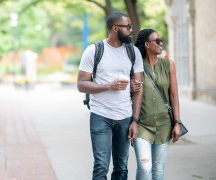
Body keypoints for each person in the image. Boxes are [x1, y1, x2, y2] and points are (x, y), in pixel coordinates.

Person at [77, 12, 144, 180]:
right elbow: (81, 84)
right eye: (128, 26)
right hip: (100, 116)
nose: (131, 30)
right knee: (101, 166)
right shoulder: (94, 50)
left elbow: (138, 88)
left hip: (125, 116)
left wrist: (135, 121)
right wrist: (109, 86)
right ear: (115, 28)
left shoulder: (133, 52)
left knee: (121, 167)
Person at [132, 29, 182, 179]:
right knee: (145, 168)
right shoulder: (136, 66)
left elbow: (174, 95)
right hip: (142, 126)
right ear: (147, 44)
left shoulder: (169, 65)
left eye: (161, 41)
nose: (161, 44)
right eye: (157, 41)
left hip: (164, 125)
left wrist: (177, 122)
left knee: (158, 171)